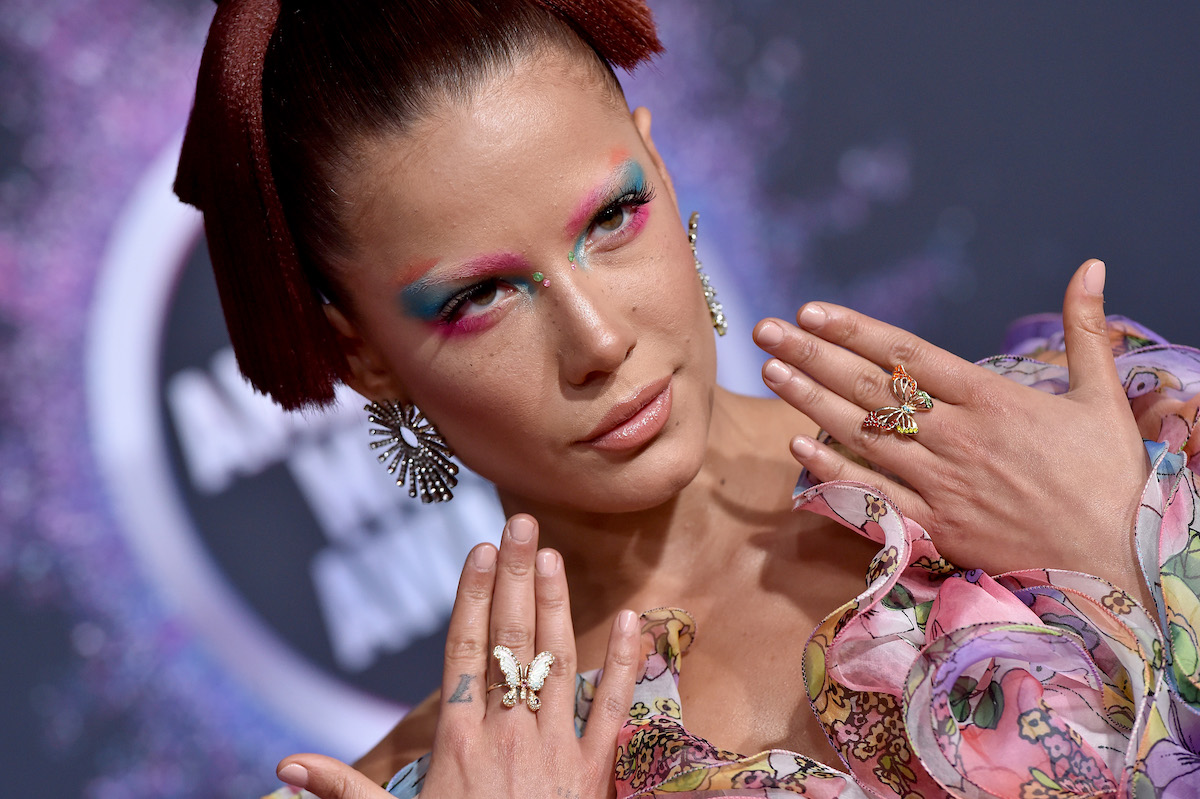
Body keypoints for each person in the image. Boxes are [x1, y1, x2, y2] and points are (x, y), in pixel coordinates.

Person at [175, 1, 1200, 797]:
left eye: (614, 215)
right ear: (365, 358)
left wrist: (1144, 566)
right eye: (480, 296)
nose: (600, 338)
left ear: (661, 167)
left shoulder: (1094, 439)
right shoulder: (428, 782)